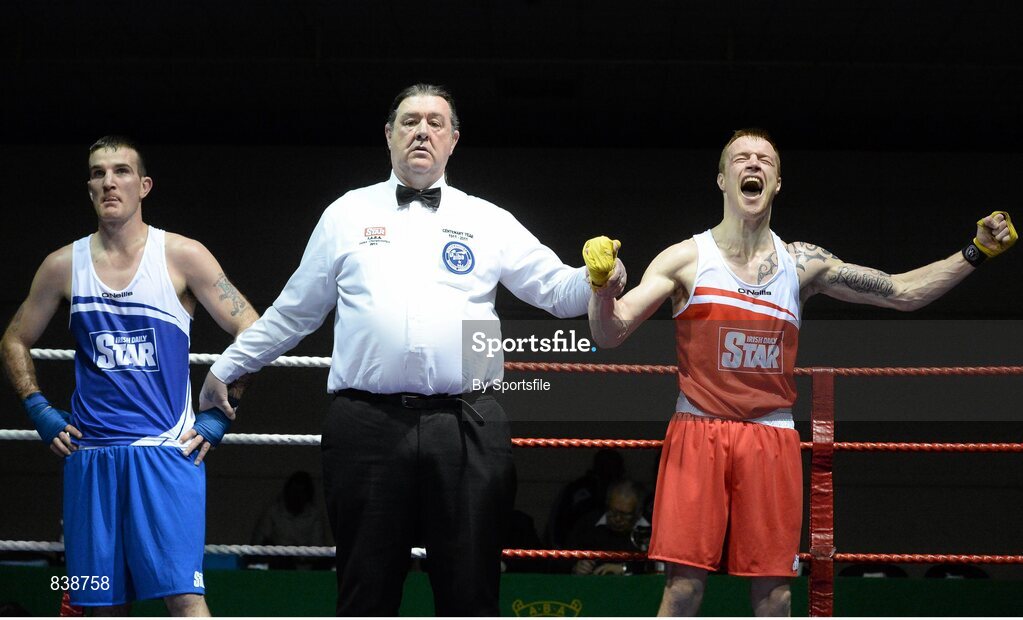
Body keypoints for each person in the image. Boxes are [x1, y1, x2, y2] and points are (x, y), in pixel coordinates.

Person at [197, 83, 626, 616]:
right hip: (366, 426)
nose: (422, 131)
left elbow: (557, 291)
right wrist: (229, 365)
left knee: (471, 593)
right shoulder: (346, 214)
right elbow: (295, 312)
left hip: (468, 421)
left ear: (453, 140)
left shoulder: (486, 219)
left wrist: (601, 278)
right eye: (410, 121)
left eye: (435, 122)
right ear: (389, 135)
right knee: (365, 592)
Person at [583, 128, 1016, 616]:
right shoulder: (685, 259)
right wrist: (601, 287)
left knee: (775, 594)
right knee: (682, 590)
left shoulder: (802, 263)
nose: (753, 165)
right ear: (722, 179)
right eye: (741, 159)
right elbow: (609, 333)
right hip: (698, 432)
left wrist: (974, 252)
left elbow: (902, 292)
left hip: (770, 438)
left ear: (777, 181)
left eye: (764, 160)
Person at [0, 136, 259, 616]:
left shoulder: (182, 256)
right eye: (98, 173)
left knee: (184, 600)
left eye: (120, 171)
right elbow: (14, 339)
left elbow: (251, 326)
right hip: (90, 458)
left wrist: (221, 414)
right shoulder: (61, 266)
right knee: (97, 605)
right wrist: (38, 408)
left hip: (165, 454)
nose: (108, 182)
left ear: (144, 186)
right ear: (90, 189)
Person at [567, 479, 651, 577]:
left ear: (638, 512)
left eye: (625, 515)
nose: (617, 519)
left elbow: (658, 567)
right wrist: (576, 567)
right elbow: (562, 561)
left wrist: (625, 569)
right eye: (613, 512)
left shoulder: (650, 532)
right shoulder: (588, 524)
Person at [250, 470, 331, 570]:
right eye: (294, 491)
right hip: (279, 568)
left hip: (308, 569)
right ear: (287, 491)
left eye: (301, 492)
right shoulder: (272, 512)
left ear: (307, 495)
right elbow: (257, 544)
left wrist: (298, 555)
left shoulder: (314, 515)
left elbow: (319, 549)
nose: (296, 496)